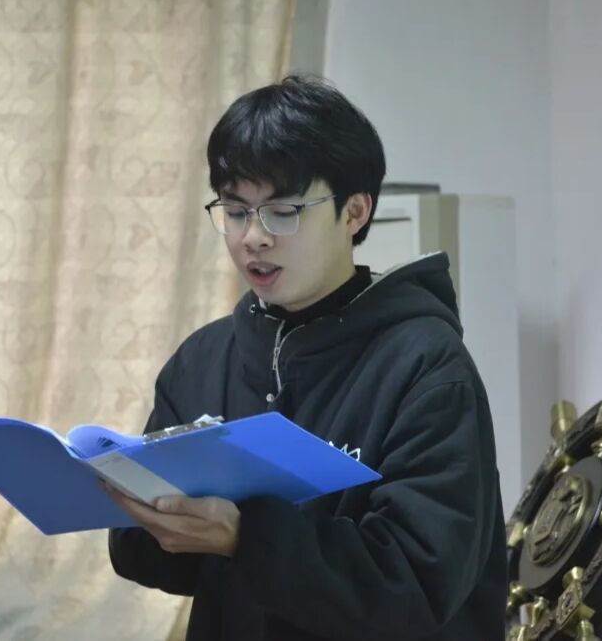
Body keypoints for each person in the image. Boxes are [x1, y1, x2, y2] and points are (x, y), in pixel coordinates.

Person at [105, 76, 507, 640]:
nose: (253, 237)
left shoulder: (427, 367)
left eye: (283, 211)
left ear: (354, 212)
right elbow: (158, 564)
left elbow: (415, 584)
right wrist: (146, 517)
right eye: (236, 211)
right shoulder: (204, 359)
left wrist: (246, 536)